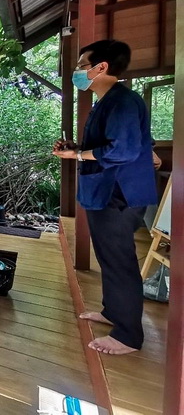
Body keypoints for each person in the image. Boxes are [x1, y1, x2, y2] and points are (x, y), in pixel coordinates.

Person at [53, 40, 157, 356]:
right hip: (105, 192)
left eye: (81, 65)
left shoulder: (123, 102)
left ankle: (128, 336)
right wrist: (76, 148)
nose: (77, 71)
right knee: (109, 258)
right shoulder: (106, 102)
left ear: (101, 67)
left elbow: (123, 150)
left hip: (118, 193)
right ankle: (113, 312)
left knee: (119, 261)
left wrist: (77, 155)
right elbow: (107, 144)